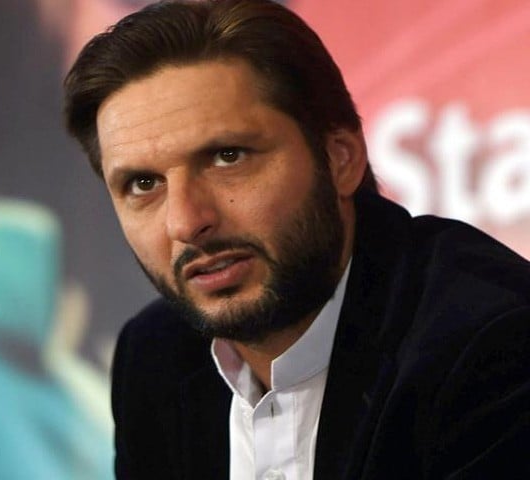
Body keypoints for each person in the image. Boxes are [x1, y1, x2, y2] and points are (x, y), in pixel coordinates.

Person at [63, 0, 530, 478]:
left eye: (228, 157)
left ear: (340, 158)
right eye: (143, 183)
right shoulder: (154, 357)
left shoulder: (491, 344)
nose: (185, 222)